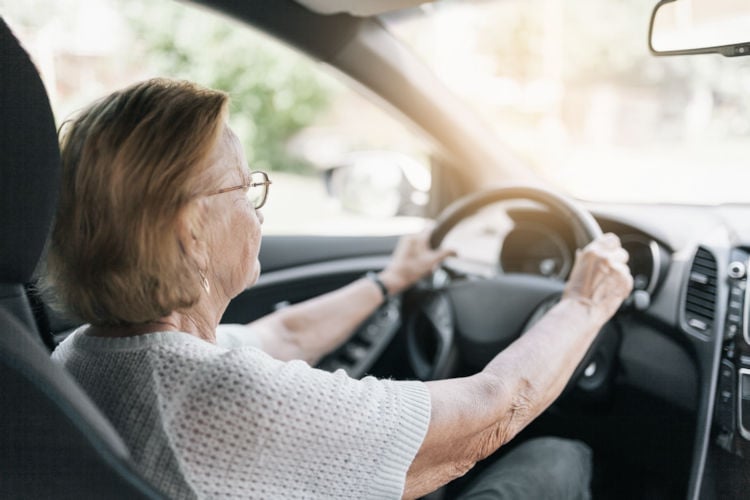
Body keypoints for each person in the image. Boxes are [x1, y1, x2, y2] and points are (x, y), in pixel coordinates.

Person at [45, 78, 633, 499]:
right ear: (190, 231)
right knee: (559, 458)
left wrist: (389, 281)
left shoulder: (80, 355)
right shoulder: (223, 397)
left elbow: (285, 332)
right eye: (245, 189)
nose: (257, 214)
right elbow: (489, 414)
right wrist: (585, 304)